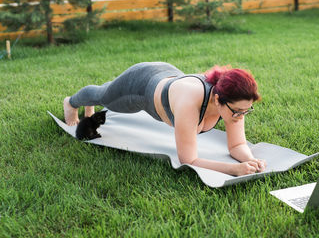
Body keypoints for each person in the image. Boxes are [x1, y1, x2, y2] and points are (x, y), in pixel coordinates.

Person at [63, 62, 266, 176]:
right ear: (217, 99)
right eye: (238, 111)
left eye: (246, 111)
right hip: (142, 84)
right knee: (105, 95)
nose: (241, 117)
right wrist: (234, 169)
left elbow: (237, 144)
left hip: (168, 77)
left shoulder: (233, 104)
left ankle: (99, 98)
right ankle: (71, 103)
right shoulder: (190, 102)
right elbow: (188, 159)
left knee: (108, 93)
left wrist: (250, 160)